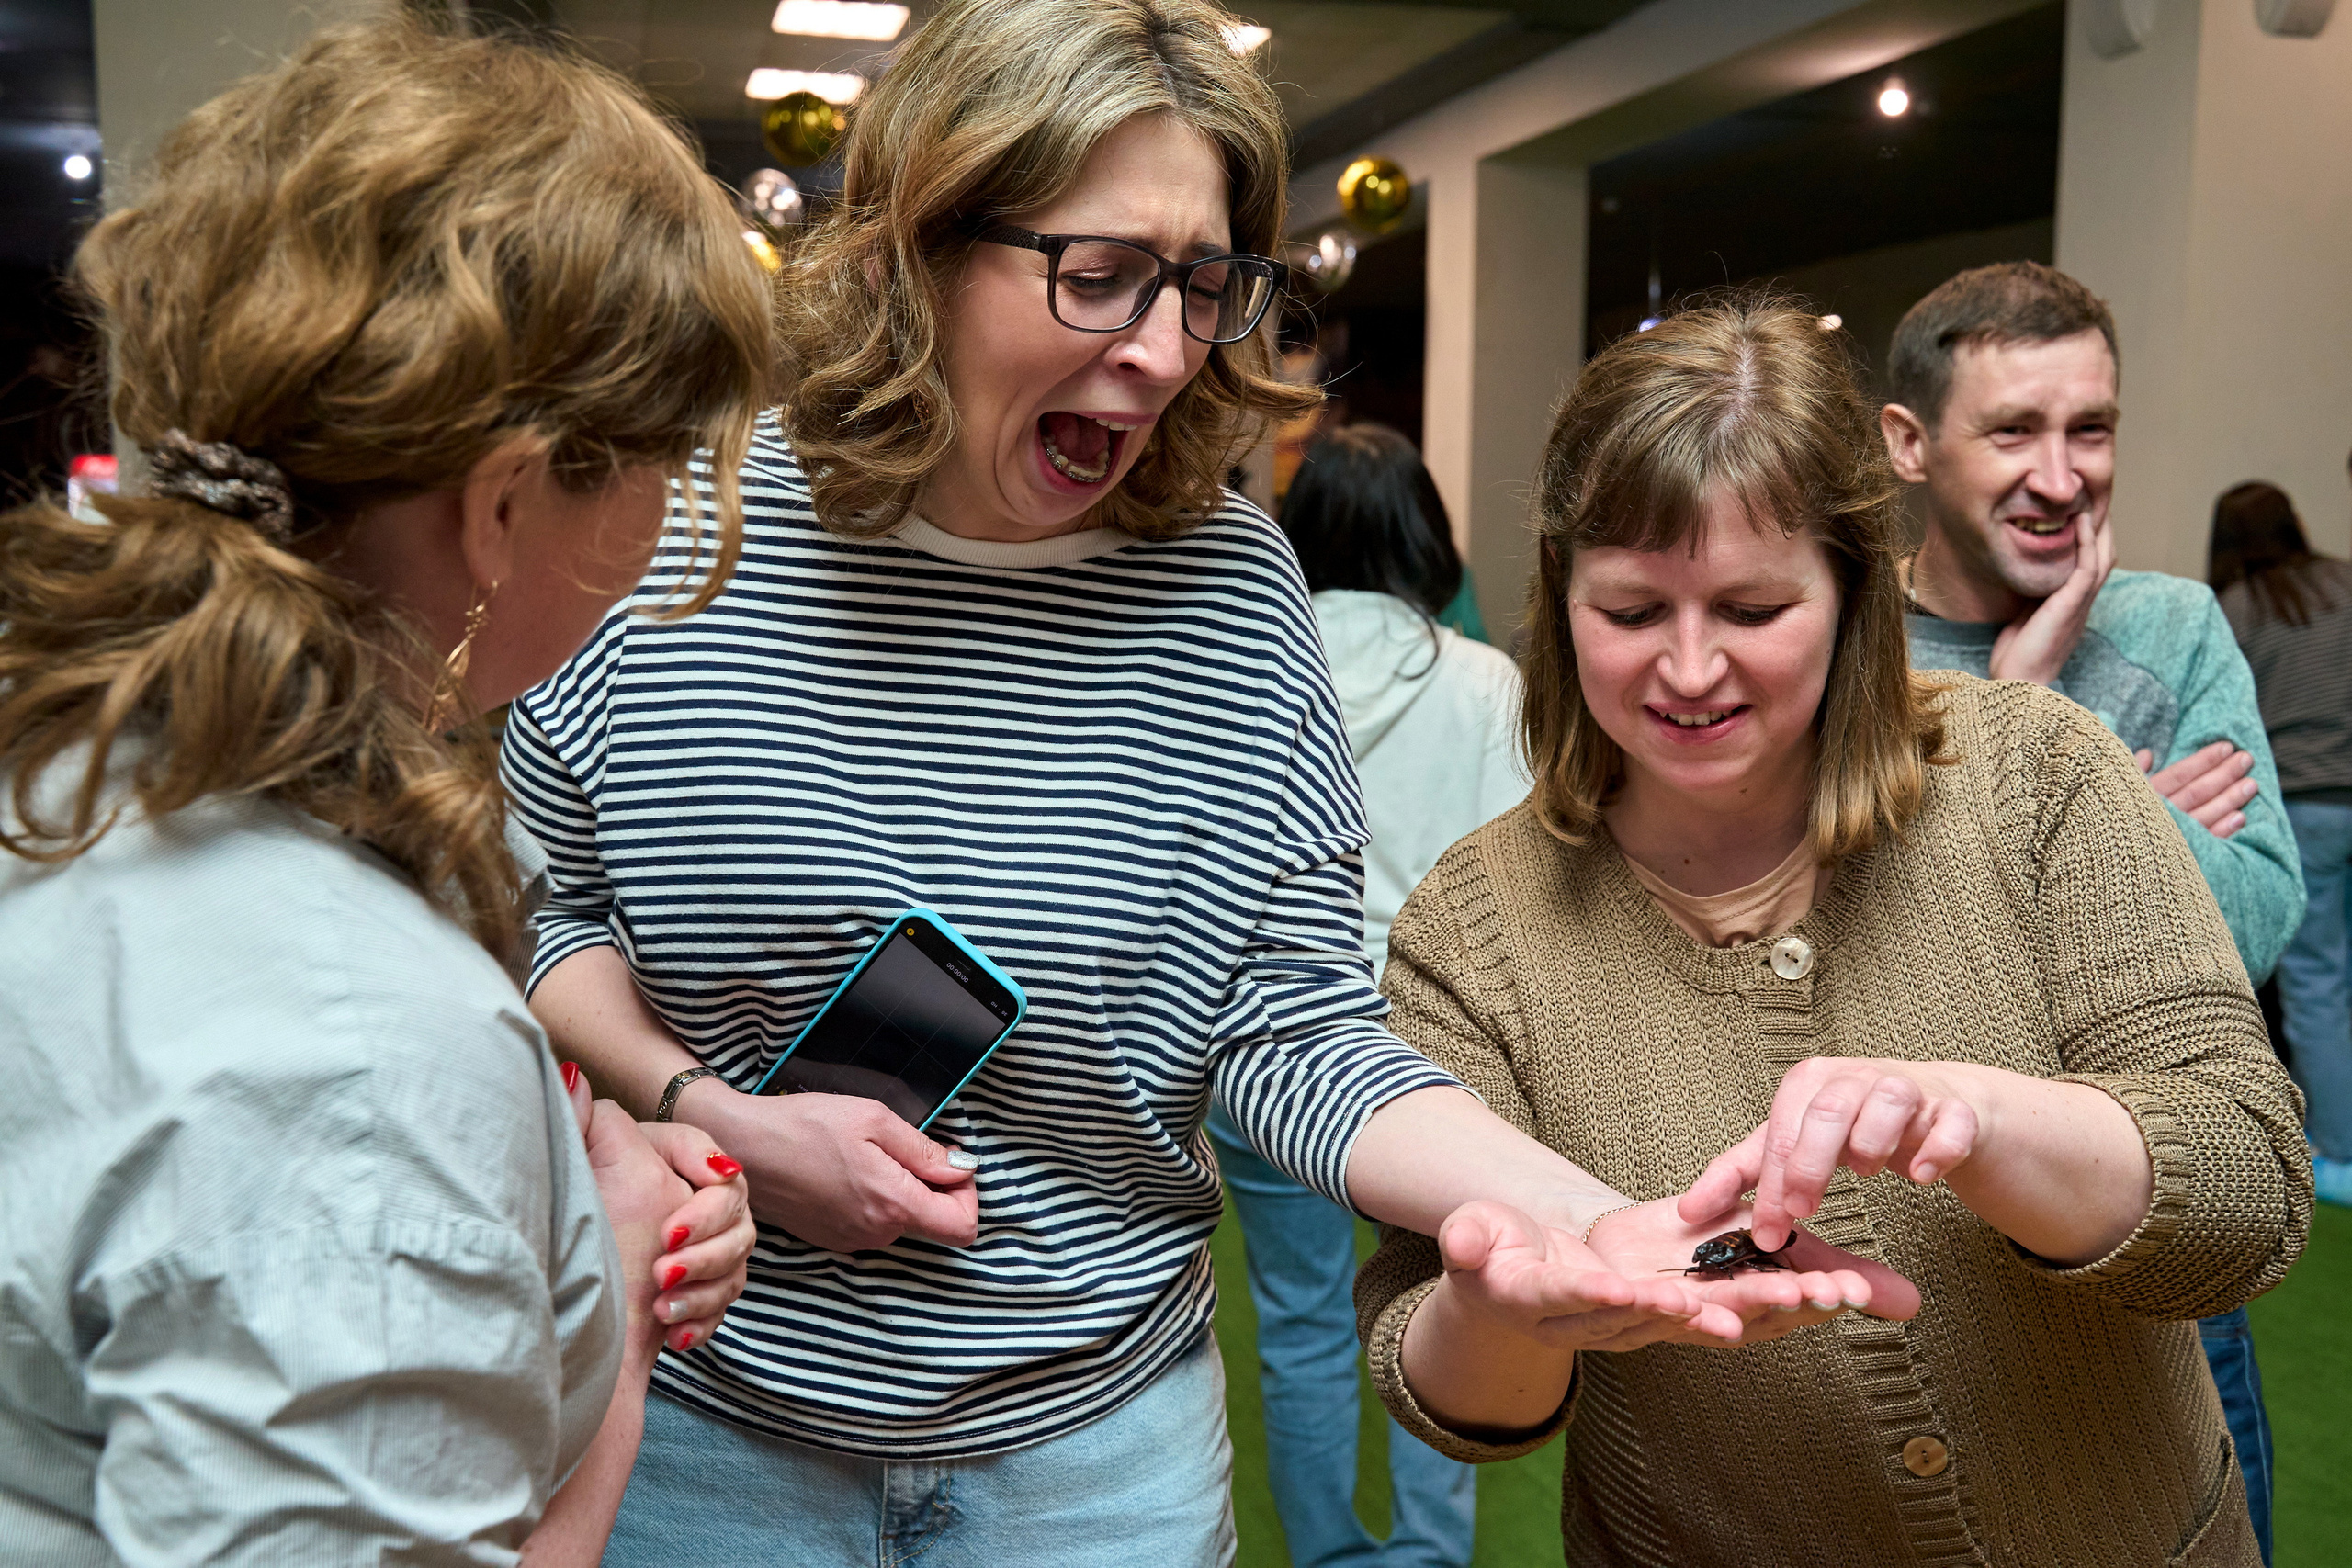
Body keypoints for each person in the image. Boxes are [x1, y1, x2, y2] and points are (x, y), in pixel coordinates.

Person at [502, 6, 1906, 1562]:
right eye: (1097, 274)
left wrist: (1569, 1205)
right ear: (917, 248)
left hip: (1092, 1455)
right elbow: (550, 913)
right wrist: (718, 1114)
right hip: (714, 1425)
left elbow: (1292, 1023)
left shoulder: (1231, 590)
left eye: (1205, 285)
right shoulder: (676, 536)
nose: (1166, 352)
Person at [1357, 296, 2312, 1568]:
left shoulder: (2036, 772)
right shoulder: (1471, 930)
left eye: (1752, 610)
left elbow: (2249, 1189)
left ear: (1853, 588)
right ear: (1556, 597)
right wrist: (1507, 1307)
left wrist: (1976, 1120)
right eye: (1632, 612)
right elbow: (1455, 1396)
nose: (1690, 669)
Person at [0, 19, 771, 1563]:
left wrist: (535, 1195)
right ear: (502, 500)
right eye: (662, 461)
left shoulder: (77, 760)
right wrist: (607, 1325)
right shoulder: (348, 1052)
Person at [1881, 261, 2306, 1561]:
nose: (2062, 476)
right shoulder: (1840, 641)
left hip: (2158, 1241)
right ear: (1910, 441)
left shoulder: (2172, 629)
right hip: (1917, 1240)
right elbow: (1895, 971)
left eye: (2092, 428)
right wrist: (2065, 740)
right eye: (2014, 429)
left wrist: (2054, 728)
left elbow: (2250, 930)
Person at [1206, 423, 1523, 1568]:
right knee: (1445, 1309)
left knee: (1297, 1327)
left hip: (1270, 1040)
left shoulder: (1245, 672)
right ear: (1425, 535)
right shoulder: (1482, 682)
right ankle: (1431, 1556)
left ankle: (1330, 1556)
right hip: (1435, 1056)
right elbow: (1515, 878)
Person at [2210, 479, 2352, 1208]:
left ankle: (2340, 1152)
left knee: (2317, 986)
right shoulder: (2345, 583)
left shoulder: (2234, 611)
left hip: (2302, 812)